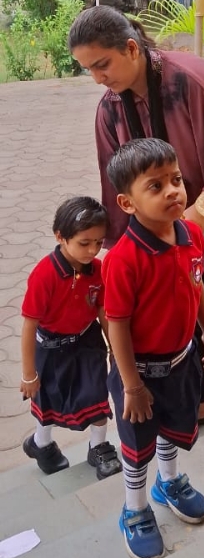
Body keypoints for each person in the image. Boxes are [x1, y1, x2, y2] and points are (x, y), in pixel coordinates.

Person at [68, 6, 204, 431]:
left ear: (132, 47)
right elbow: (113, 185)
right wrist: (109, 252)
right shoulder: (108, 111)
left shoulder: (192, 80)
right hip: (164, 226)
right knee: (174, 303)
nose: (98, 78)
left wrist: (190, 221)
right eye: (89, 70)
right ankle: (200, 400)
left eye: (103, 64)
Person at [101, 137, 204, 558]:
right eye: (156, 186)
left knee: (172, 428)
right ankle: (134, 509)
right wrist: (131, 385)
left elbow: (196, 284)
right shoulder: (124, 259)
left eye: (175, 180)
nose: (173, 191)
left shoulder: (190, 235)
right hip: (140, 374)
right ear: (127, 203)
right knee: (137, 445)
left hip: (181, 361)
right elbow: (117, 325)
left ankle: (167, 483)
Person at [20, 196, 122, 480]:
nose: (92, 250)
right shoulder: (44, 275)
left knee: (97, 393)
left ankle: (99, 446)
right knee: (48, 399)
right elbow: (29, 325)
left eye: (99, 242)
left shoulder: (99, 271)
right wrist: (29, 374)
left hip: (87, 342)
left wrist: (115, 347)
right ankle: (41, 444)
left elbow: (103, 310)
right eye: (84, 242)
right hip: (50, 347)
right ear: (60, 237)